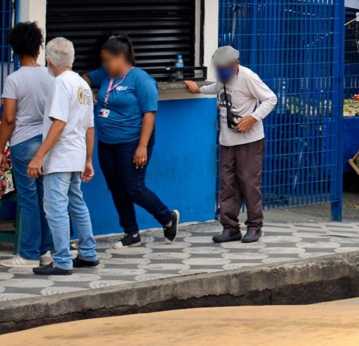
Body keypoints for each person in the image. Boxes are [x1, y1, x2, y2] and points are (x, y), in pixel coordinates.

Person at [87, 35, 179, 248]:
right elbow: (83, 79)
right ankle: (131, 232)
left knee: (133, 186)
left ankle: (167, 217)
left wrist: (142, 146)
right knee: (116, 188)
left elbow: (150, 114)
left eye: (109, 60)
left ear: (121, 57)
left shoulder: (141, 79)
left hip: (132, 142)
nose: (105, 65)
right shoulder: (105, 75)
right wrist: (85, 93)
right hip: (107, 142)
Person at [184, 46, 276, 244]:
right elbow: (214, 89)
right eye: (219, 68)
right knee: (227, 185)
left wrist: (253, 117)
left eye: (225, 68)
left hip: (250, 142)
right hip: (227, 141)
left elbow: (271, 98)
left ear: (236, 64)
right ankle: (230, 227)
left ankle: (254, 226)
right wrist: (197, 89)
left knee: (250, 184)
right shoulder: (222, 79)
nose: (222, 72)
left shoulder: (248, 77)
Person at [26, 37, 100, 275]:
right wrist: (88, 159)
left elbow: (59, 123)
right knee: (77, 203)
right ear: (73, 58)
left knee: (55, 208)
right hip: (76, 154)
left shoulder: (60, 83)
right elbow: (90, 127)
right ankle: (88, 253)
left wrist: (38, 156)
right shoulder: (83, 85)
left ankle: (62, 260)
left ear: (48, 60)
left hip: (60, 157)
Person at [0, 22, 55, 268]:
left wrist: (1, 148)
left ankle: (29, 252)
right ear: (38, 49)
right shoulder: (51, 76)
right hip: (46, 144)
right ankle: (45, 250)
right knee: (45, 198)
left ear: (15, 49)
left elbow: (9, 119)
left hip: (22, 144)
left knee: (28, 200)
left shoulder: (14, 80)